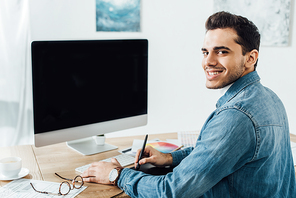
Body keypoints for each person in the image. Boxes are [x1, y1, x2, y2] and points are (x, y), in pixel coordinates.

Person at [81, 11, 296, 197]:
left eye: (222, 51)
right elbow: (214, 151)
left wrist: (115, 174)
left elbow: (171, 191)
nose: (208, 61)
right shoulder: (269, 98)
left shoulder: (236, 116)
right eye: (205, 51)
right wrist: (169, 157)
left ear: (250, 58)